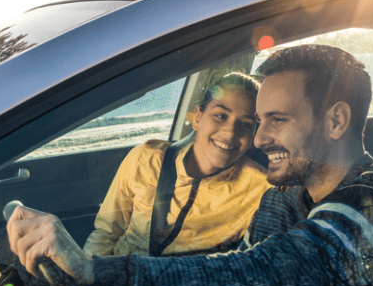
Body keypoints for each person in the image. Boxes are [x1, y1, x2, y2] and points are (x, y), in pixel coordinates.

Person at [7, 45, 373, 286]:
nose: (260, 139)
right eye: (261, 121)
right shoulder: (284, 197)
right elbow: (235, 276)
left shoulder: (371, 207)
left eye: (276, 120)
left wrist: (94, 272)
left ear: (336, 122)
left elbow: (254, 279)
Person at [83, 72, 271, 257]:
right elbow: (106, 234)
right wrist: (89, 279)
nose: (230, 133)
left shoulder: (262, 188)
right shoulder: (146, 159)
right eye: (221, 116)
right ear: (197, 117)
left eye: (246, 125)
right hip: (121, 276)